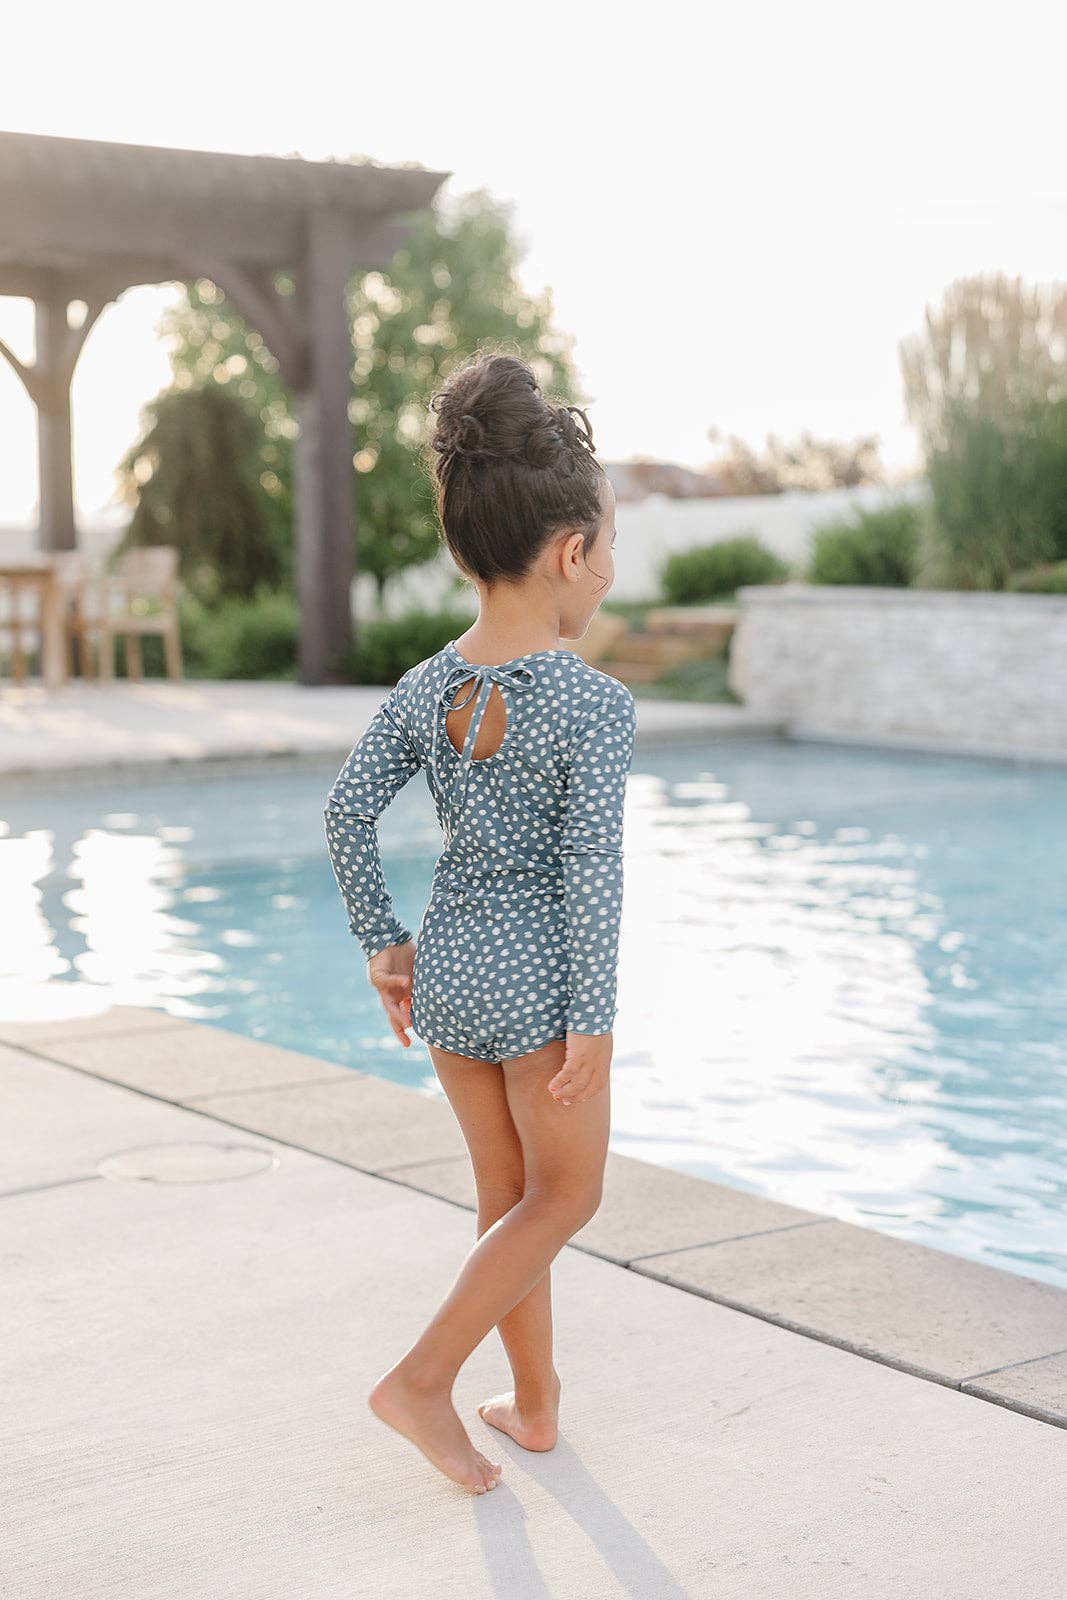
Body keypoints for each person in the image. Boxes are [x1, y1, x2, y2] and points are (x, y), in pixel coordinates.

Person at [323, 349, 637, 1497]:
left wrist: (384, 943)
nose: (609, 566)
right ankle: (420, 1378)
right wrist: (595, 1015)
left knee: (508, 1205)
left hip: (452, 975)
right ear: (567, 553)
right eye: (608, 546)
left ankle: (536, 1405)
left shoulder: (426, 686)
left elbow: (346, 810)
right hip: (545, 988)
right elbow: (591, 866)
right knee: (567, 1198)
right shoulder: (593, 704)